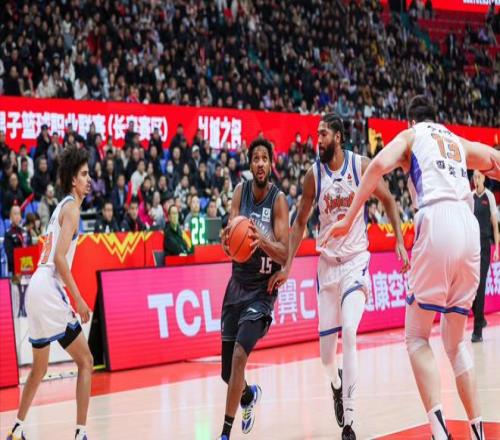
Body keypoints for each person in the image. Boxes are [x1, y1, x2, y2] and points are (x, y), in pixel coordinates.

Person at [325, 95, 500, 440]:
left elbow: (377, 166)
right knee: (455, 342)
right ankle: (477, 430)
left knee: (417, 336)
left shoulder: (411, 136)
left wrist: (348, 218)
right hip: (469, 230)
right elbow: (494, 159)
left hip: (436, 220)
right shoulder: (455, 140)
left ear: (411, 121)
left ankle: (439, 432)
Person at [268, 113, 409, 440]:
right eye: (317, 135)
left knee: (350, 330)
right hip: (328, 267)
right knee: (326, 357)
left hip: (356, 261)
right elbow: (300, 223)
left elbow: (389, 199)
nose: (318, 140)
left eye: (323, 135)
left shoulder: (361, 167)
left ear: (338, 137)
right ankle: (336, 384)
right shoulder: (313, 176)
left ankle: (349, 421)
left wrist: (399, 241)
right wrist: (287, 265)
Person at [6, 147, 93, 440]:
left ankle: (16, 429)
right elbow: (59, 259)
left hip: (36, 286)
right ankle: (81, 434)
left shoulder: (61, 206)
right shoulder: (73, 209)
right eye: (84, 174)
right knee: (86, 361)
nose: (89, 179)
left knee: (39, 368)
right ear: (73, 180)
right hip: (48, 286)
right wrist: (78, 298)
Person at [217, 138, 289, 440]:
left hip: (261, 291)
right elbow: (232, 233)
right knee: (227, 373)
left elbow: (284, 253)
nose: (260, 163)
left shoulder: (278, 200)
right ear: (250, 164)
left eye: (264, 159)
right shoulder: (240, 192)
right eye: (256, 158)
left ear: (271, 164)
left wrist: (263, 240)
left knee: (238, 357)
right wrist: (227, 240)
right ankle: (248, 396)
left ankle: (224, 433)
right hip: (236, 286)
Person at [471, 170, 499, 342]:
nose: (476, 179)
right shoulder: (470, 197)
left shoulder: (489, 196)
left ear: (484, 177)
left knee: (480, 286)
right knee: (470, 288)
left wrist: (497, 249)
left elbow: (495, 226)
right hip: (471, 246)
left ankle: (477, 332)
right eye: (474, 177)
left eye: (479, 176)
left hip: (485, 246)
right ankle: (480, 318)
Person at [3, 206, 26, 274]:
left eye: (19, 214)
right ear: (10, 217)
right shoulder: (8, 234)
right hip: (16, 270)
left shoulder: (24, 231)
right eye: (15, 214)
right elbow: (10, 257)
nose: (17, 216)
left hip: (28, 265)